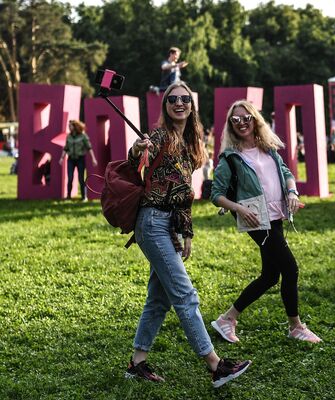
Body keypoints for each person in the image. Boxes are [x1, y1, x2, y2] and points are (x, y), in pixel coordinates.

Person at [125, 82, 251, 387]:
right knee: (185, 295)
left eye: (185, 99)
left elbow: (183, 195)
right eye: (173, 99)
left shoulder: (188, 143)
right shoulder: (160, 136)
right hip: (152, 222)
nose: (179, 103)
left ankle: (137, 364)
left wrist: (186, 233)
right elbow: (134, 159)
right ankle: (215, 365)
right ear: (166, 105)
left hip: (166, 225)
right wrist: (137, 149)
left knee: (159, 299)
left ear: (191, 105)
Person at [210, 100, 322, 344]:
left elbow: (287, 174)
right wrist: (239, 209)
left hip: (276, 215)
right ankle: (295, 327)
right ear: (230, 125)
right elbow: (216, 194)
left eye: (246, 117)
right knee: (290, 269)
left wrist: (292, 192)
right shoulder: (230, 158)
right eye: (235, 119)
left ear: (255, 119)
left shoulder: (269, 148)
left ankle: (227, 319)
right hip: (256, 219)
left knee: (271, 275)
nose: (242, 123)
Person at [58, 120, 97, 200]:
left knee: (81, 178)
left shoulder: (83, 136)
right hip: (71, 159)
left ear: (75, 126)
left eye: (70, 126)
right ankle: (68, 196)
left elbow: (89, 148)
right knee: (70, 177)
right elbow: (66, 148)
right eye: (69, 126)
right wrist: (62, 158)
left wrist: (93, 158)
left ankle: (84, 197)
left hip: (80, 159)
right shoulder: (69, 136)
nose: (69, 127)